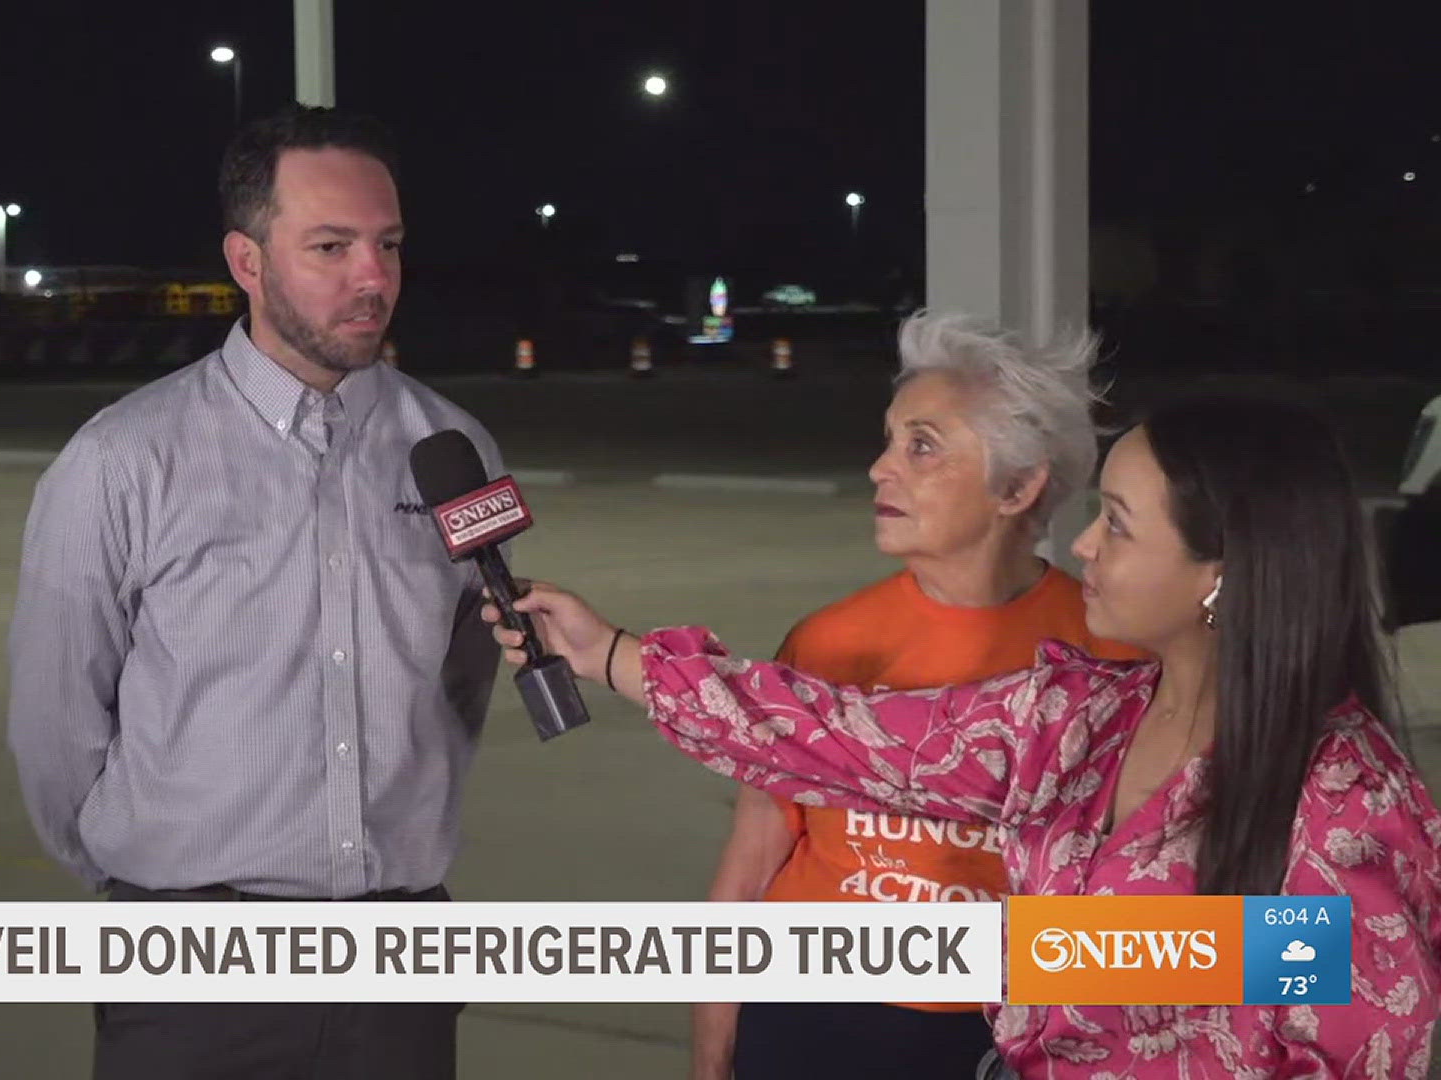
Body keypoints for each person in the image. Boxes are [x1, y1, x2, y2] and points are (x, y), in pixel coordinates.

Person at [487, 397, 1441, 1077]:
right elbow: (842, 737)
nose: (1083, 547)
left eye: (1116, 524)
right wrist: (609, 653)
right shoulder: (1080, 717)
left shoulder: (1348, 808)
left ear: (1222, 575)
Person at [8, 105, 502, 1080]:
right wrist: (158, 888)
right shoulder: (122, 461)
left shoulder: (460, 453)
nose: (374, 278)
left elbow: (464, 684)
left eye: (388, 245)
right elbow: (55, 725)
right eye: (331, 246)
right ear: (246, 259)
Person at [695, 312, 1141, 1080]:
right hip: (813, 1015)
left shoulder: (1110, 656)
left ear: (1018, 486)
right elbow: (749, 867)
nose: (880, 468)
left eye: (922, 446)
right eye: (890, 439)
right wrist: (712, 1056)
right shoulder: (829, 643)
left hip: (1008, 1026)